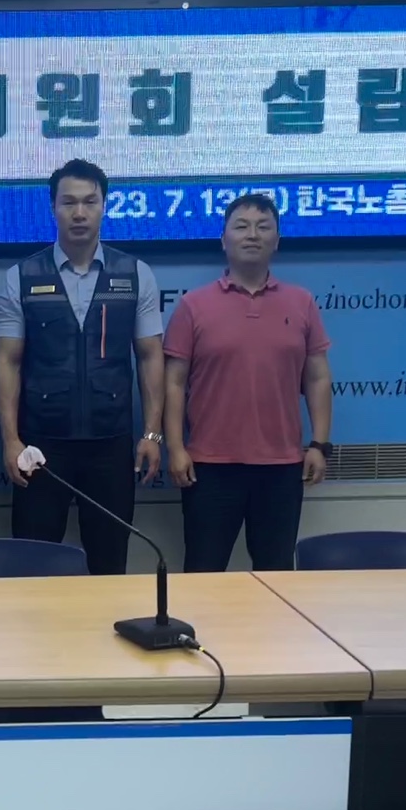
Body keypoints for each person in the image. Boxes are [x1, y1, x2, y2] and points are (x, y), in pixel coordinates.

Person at [0, 159, 165, 576]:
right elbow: (7, 362)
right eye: (69, 202)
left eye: (90, 202)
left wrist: (151, 434)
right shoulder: (22, 276)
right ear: (53, 207)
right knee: (33, 566)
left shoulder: (135, 274)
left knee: (110, 566)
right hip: (41, 447)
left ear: (104, 206)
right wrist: (11, 441)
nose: (79, 212)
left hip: (110, 445)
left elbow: (150, 357)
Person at [163, 192, 334, 572]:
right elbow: (173, 382)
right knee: (203, 572)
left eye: (263, 227)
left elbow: (318, 377)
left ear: (277, 239)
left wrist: (319, 444)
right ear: (223, 240)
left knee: (276, 573)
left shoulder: (302, 302)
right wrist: (175, 447)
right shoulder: (193, 305)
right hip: (209, 466)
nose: (252, 235)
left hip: (281, 466)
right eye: (241, 226)